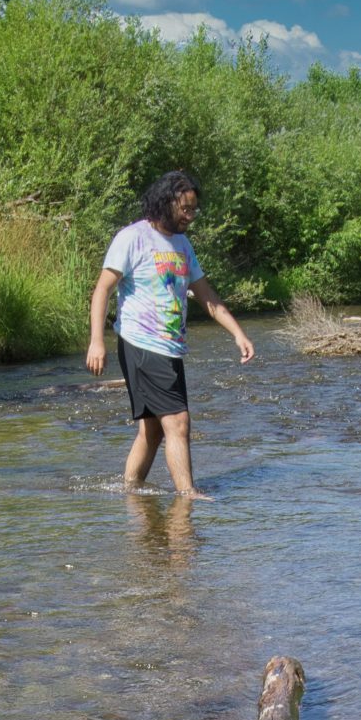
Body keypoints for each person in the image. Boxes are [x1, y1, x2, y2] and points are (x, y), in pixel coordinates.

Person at [86, 171, 254, 497]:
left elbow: (206, 294)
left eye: (194, 209)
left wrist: (238, 333)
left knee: (152, 431)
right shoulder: (132, 237)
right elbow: (102, 289)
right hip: (141, 342)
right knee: (178, 422)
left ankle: (131, 493)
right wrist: (96, 341)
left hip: (170, 347)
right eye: (185, 209)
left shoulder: (182, 244)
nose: (190, 216)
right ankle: (187, 496)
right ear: (166, 203)